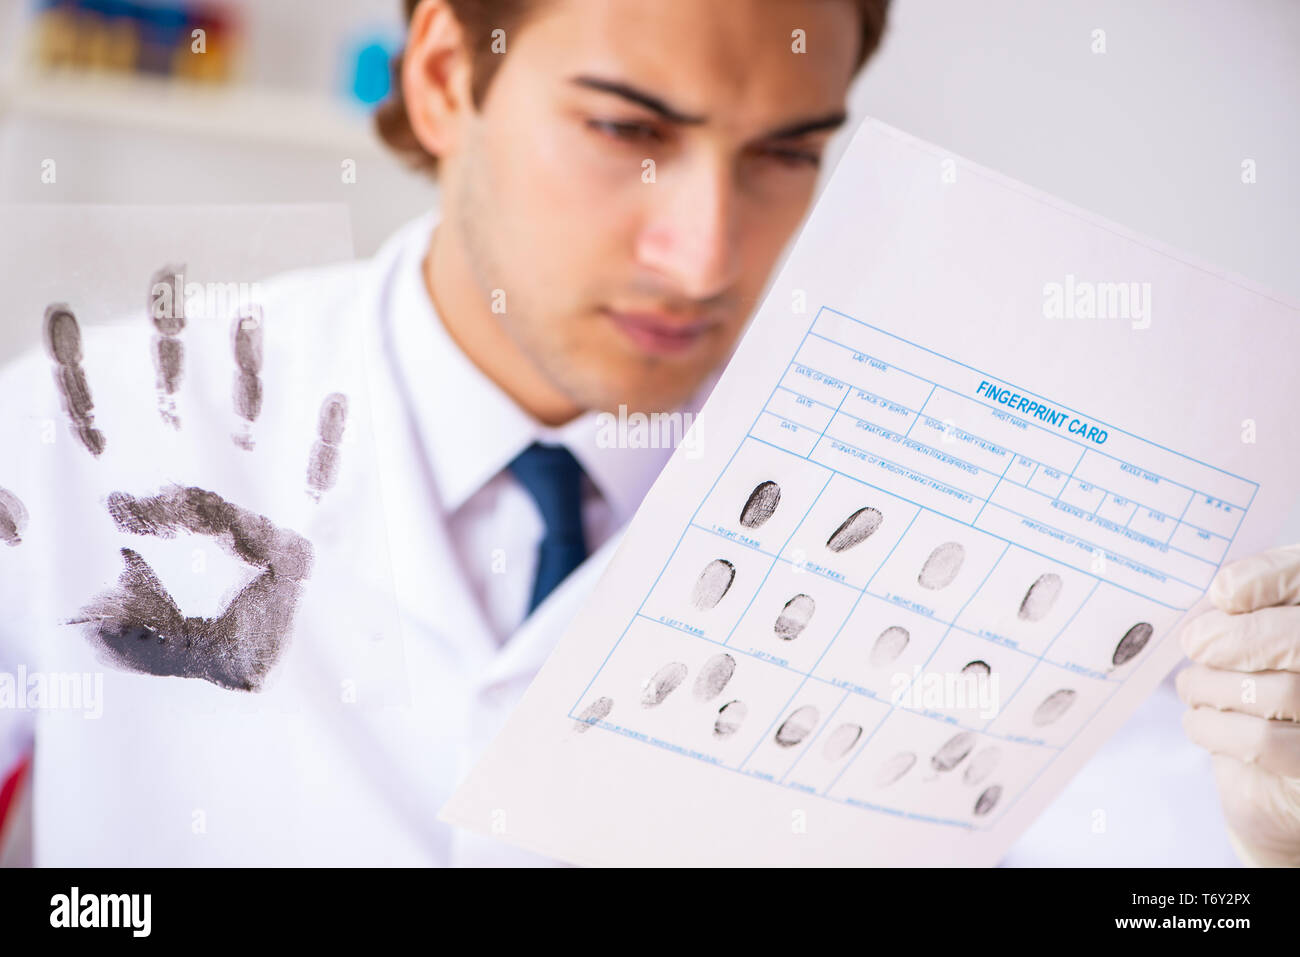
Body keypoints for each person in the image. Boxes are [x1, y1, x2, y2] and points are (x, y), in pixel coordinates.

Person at [0, 0, 1295, 867]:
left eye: (786, 154)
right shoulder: (82, 437)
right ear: (449, 79)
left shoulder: (978, 519)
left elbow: (1149, 843)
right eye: (630, 131)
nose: (708, 253)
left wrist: (1264, 838)